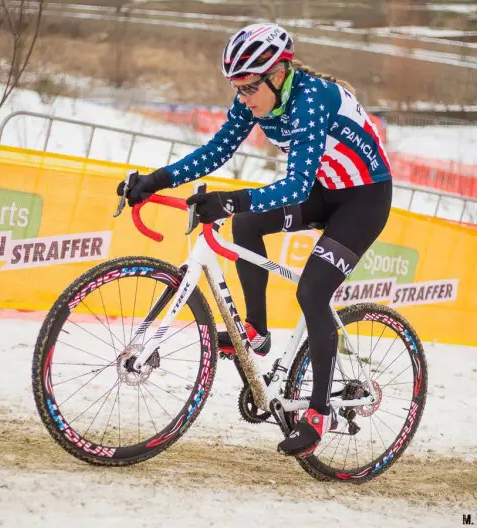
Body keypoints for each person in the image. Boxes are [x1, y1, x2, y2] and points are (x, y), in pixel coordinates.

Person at [117, 22, 393, 457]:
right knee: (247, 225)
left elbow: (297, 186)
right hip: (325, 189)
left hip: (362, 200)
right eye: (237, 89)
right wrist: (158, 179)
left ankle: (319, 414)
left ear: (278, 73)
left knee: (313, 289)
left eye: (248, 88)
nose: (243, 98)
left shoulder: (310, 101)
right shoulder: (258, 95)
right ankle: (257, 331)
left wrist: (233, 199)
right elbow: (217, 149)